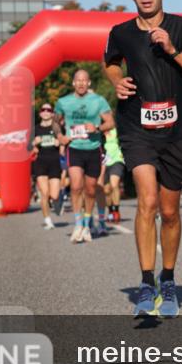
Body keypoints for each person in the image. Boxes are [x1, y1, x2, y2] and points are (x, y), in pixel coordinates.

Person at [105, 0, 182, 318]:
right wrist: (116, 80)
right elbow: (110, 62)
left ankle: (168, 279)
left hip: (177, 131)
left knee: (169, 212)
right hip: (136, 128)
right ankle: (146, 282)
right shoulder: (120, 32)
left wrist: (172, 49)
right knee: (147, 201)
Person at [55, 69, 115, 243]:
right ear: (73, 83)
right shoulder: (63, 102)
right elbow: (55, 121)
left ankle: (87, 224)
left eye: (84, 80)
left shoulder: (98, 101)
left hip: (93, 148)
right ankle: (78, 224)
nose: (81, 83)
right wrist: (59, 136)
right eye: (78, 80)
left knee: (90, 189)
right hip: (74, 148)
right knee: (75, 186)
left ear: (89, 83)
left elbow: (111, 122)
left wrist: (97, 128)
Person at [31, 102, 63, 230]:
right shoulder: (35, 129)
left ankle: (58, 198)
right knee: (44, 193)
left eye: (48, 110)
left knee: (54, 195)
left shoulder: (57, 128)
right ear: (40, 113)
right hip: (40, 163)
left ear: (52, 113)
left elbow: (64, 143)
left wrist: (59, 143)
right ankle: (48, 220)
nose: (45, 112)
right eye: (43, 110)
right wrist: (34, 144)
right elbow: (27, 147)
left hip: (54, 162)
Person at [103, 127, 125, 223]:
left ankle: (116, 211)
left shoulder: (117, 128)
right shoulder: (99, 129)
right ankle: (110, 211)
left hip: (117, 159)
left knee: (114, 184)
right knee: (106, 190)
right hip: (103, 162)